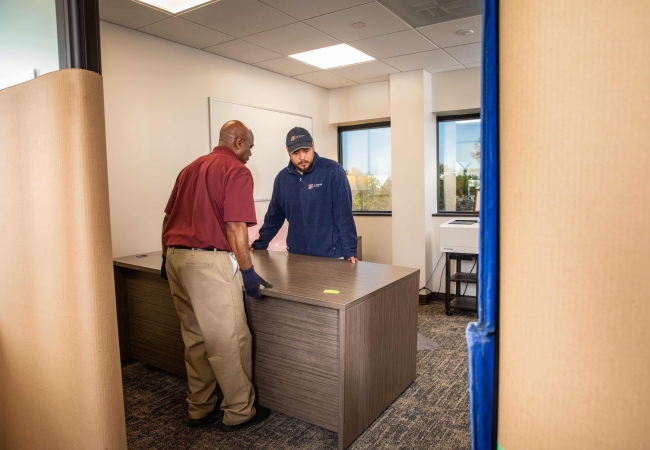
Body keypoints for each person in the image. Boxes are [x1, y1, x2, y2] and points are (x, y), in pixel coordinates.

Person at [161, 120, 272, 432]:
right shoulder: (235, 170)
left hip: (175, 259)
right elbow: (235, 226)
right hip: (207, 265)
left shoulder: (190, 168)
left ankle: (200, 407)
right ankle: (239, 412)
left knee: (194, 337)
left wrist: (163, 256)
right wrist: (248, 271)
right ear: (238, 141)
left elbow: (168, 217)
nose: (250, 153)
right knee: (230, 340)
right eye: (249, 146)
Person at [252, 127, 358, 262]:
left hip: (331, 255)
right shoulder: (282, 179)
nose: (302, 157)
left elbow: (343, 214)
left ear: (313, 146)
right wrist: (259, 244)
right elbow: (274, 217)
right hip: (296, 255)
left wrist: (350, 251)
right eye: (296, 153)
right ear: (288, 151)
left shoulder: (332, 171)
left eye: (306, 151)